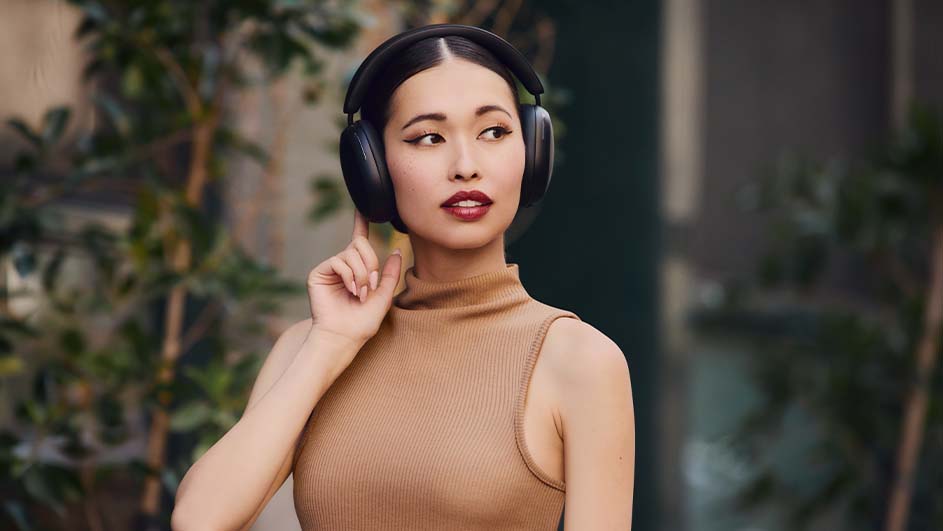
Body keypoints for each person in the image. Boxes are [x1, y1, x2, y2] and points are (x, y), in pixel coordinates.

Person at [171, 24, 634, 531]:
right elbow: (198, 520)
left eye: (494, 132)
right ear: (372, 169)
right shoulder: (312, 348)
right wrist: (331, 342)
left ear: (533, 151)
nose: (465, 165)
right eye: (428, 137)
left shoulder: (581, 361)